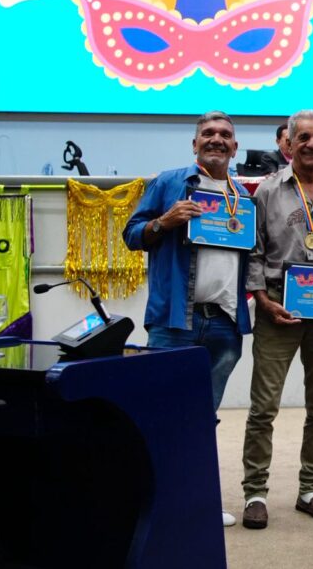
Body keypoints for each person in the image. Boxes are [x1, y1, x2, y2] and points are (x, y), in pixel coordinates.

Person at [122, 110, 252, 528]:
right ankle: (151, 506)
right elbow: (131, 235)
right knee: (161, 416)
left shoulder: (243, 196)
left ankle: (197, 502)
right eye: (208, 134)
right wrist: (164, 221)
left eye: (225, 135)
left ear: (235, 147)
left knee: (203, 421)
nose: (217, 139)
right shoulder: (168, 182)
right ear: (195, 143)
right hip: (175, 321)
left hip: (225, 325)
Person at [241, 110, 313, 530]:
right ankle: (255, 492)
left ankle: (311, 487)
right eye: (303, 138)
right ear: (287, 144)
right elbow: (253, 252)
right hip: (279, 309)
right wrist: (261, 299)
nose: (312, 144)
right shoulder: (268, 191)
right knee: (263, 407)